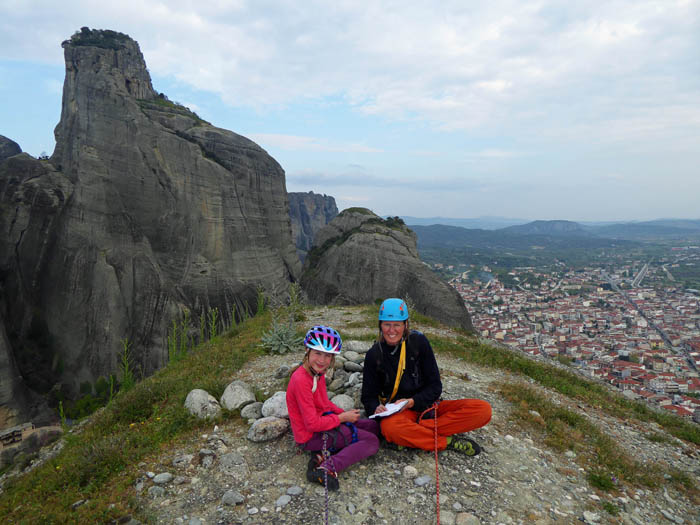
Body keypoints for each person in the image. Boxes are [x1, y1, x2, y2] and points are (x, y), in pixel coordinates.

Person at [361, 298, 491, 455]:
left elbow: (435, 386)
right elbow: (368, 396)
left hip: (428, 407)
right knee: (389, 427)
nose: (391, 330)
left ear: (405, 325)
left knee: (483, 410)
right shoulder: (374, 355)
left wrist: (412, 402)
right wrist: (376, 407)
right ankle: (446, 441)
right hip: (399, 414)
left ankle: (415, 434)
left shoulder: (418, 343)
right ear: (380, 325)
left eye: (397, 324)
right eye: (387, 324)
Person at [286, 325, 380, 490]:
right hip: (310, 436)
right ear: (307, 352)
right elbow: (311, 424)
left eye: (328, 355)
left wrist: (344, 414)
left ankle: (321, 455)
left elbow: (325, 404)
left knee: (373, 426)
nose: (322, 360)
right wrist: (342, 419)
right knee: (371, 441)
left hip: (324, 422)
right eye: (317, 353)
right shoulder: (301, 380)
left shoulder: (317, 373)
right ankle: (327, 467)